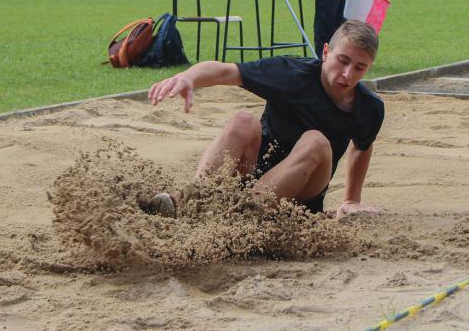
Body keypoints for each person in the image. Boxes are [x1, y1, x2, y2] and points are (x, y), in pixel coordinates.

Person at [148, 20, 384, 219]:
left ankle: (244, 215)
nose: (347, 74)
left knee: (316, 141)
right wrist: (187, 77)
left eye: (359, 68)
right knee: (242, 121)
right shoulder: (289, 73)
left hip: (302, 195)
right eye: (342, 61)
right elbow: (225, 71)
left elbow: (363, 146)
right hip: (254, 173)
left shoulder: (369, 108)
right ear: (325, 52)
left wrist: (352, 199)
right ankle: (194, 201)